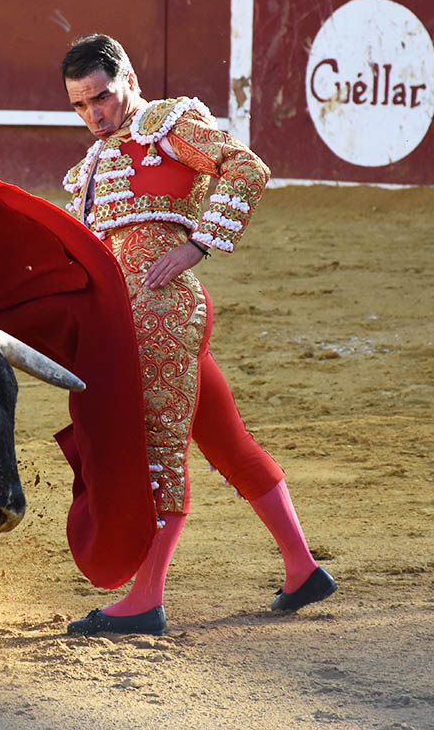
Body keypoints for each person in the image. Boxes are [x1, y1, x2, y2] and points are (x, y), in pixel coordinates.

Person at [59, 34, 336, 636]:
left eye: (102, 98)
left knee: (157, 450)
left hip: (165, 313)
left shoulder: (169, 124)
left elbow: (246, 166)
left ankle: (145, 599)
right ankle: (302, 568)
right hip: (125, 327)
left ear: (128, 78)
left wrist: (198, 243)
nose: (94, 115)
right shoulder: (84, 173)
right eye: (80, 106)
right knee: (228, 443)